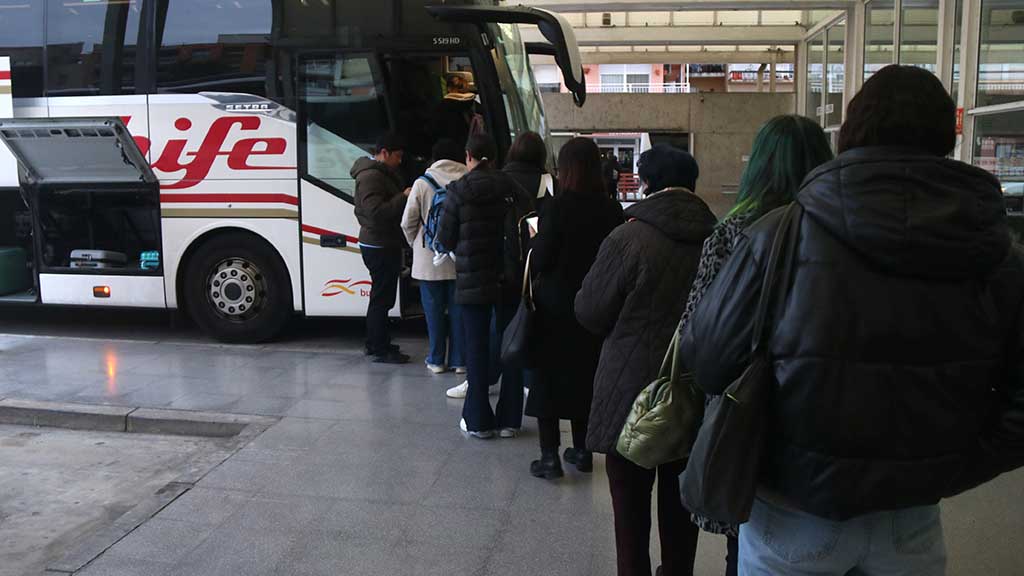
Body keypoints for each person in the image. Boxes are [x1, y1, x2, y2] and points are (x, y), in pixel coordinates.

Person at [682, 65, 1024, 575]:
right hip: (911, 517)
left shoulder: (778, 236)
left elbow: (707, 362)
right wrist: (953, 468)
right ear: (948, 138)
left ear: (848, 135)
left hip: (792, 512)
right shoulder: (996, 252)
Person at [680, 114, 832, 576]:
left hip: (749, 415)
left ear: (759, 165)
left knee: (746, 541)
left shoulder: (735, 231)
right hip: (828, 412)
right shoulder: (842, 227)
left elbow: (698, 336)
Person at [576, 145, 716, 576]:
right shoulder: (719, 238)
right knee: (681, 503)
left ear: (647, 184)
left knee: (630, 508)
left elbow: (589, 311)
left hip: (630, 392)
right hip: (694, 390)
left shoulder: (627, 238)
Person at [526, 137, 624, 479]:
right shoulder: (611, 210)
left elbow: (541, 258)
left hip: (555, 306)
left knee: (549, 379)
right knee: (586, 376)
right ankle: (582, 451)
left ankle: (549, 457)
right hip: (596, 306)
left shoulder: (556, 208)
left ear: (565, 169)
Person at [436, 133, 523, 439]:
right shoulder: (510, 186)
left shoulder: (458, 190)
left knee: (475, 348)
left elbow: (445, 238)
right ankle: (510, 420)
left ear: (468, 156)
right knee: (510, 347)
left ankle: (477, 420)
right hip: (508, 279)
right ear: (494, 158)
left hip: (472, 281)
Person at [401, 139, 469, 375]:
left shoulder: (422, 182)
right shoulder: (467, 180)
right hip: (460, 257)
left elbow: (407, 222)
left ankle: (436, 360)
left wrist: (417, 244)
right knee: (459, 312)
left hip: (429, 260)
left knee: (434, 313)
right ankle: (459, 361)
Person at [352, 132, 411, 364]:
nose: (400, 161)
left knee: (381, 296)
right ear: (384, 153)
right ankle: (379, 348)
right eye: (397, 156)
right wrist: (403, 197)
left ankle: (376, 342)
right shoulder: (371, 177)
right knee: (381, 298)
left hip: (381, 242)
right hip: (378, 244)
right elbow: (375, 213)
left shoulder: (378, 173)